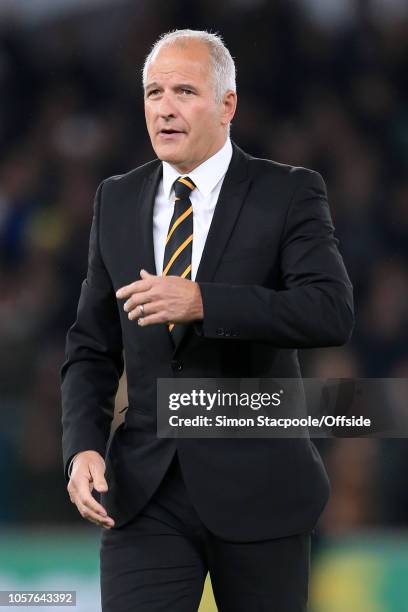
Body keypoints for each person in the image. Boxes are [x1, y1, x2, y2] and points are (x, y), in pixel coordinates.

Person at [61, 29, 354, 612]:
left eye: (185, 91)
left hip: (260, 487)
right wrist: (82, 448)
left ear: (228, 105)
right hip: (144, 491)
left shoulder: (288, 192)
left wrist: (205, 302)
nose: (164, 108)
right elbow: (92, 346)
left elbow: (330, 312)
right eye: (153, 92)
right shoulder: (115, 199)